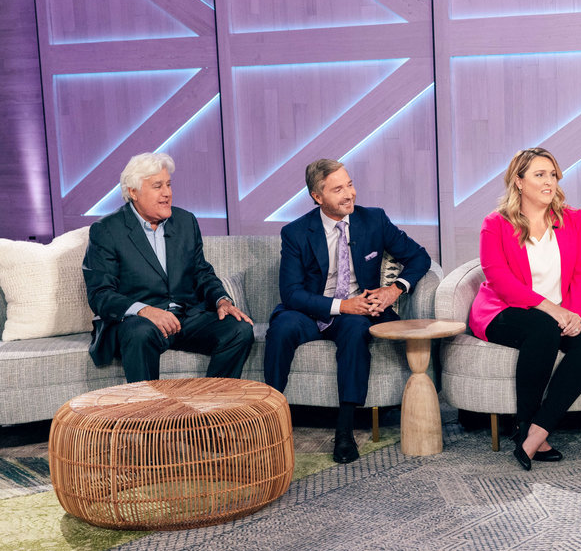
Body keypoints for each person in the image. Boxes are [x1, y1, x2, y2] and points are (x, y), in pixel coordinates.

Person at [264, 159, 431, 464]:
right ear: (318, 197)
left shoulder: (374, 220)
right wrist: (342, 305)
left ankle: (345, 430)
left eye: (350, 184)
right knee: (282, 327)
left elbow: (419, 257)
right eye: (338, 189)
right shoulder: (296, 232)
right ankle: (268, 420)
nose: (349, 194)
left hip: (355, 314)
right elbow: (291, 292)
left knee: (356, 329)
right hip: (311, 310)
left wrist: (395, 289)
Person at [469, 147, 581, 471]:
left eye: (553, 174)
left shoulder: (573, 219)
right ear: (518, 182)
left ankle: (537, 431)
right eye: (539, 175)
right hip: (502, 310)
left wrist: (572, 312)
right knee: (543, 328)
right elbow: (499, 279)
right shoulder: (496, 223)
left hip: (558, 310)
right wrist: (553, 311)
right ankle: (525, 427)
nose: (550, 182)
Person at [83, 152, 254, 383]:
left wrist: (222, 300)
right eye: (157, 186)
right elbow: (100, 294)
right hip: (141, 322)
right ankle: (150, 417)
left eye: (168, 184)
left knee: (239, 330)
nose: (167, 193)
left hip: (186, 317)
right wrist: (145, 310)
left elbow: (201, 272)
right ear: (133, 192)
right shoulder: (107, 230)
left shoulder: (185, 222)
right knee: (139, 333)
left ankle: (210, 410)